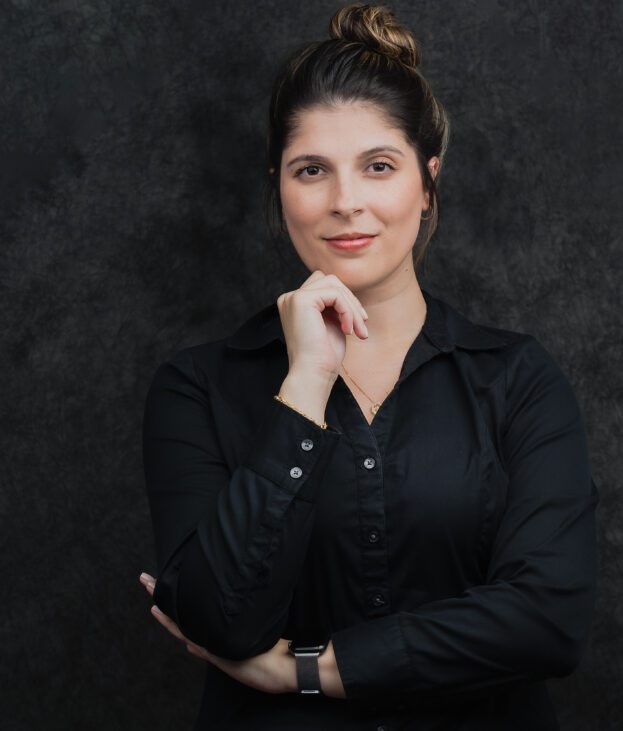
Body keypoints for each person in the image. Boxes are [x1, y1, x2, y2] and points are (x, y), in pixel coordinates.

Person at [138, 4, 599, 729]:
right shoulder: (196, 387)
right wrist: (304, 388)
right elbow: (218, 617)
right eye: (311, 170)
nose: (345, 203)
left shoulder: (517, 378)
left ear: (429, 179)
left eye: (378, 166)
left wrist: (309, 669)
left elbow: (548, 619)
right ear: (277, 185)